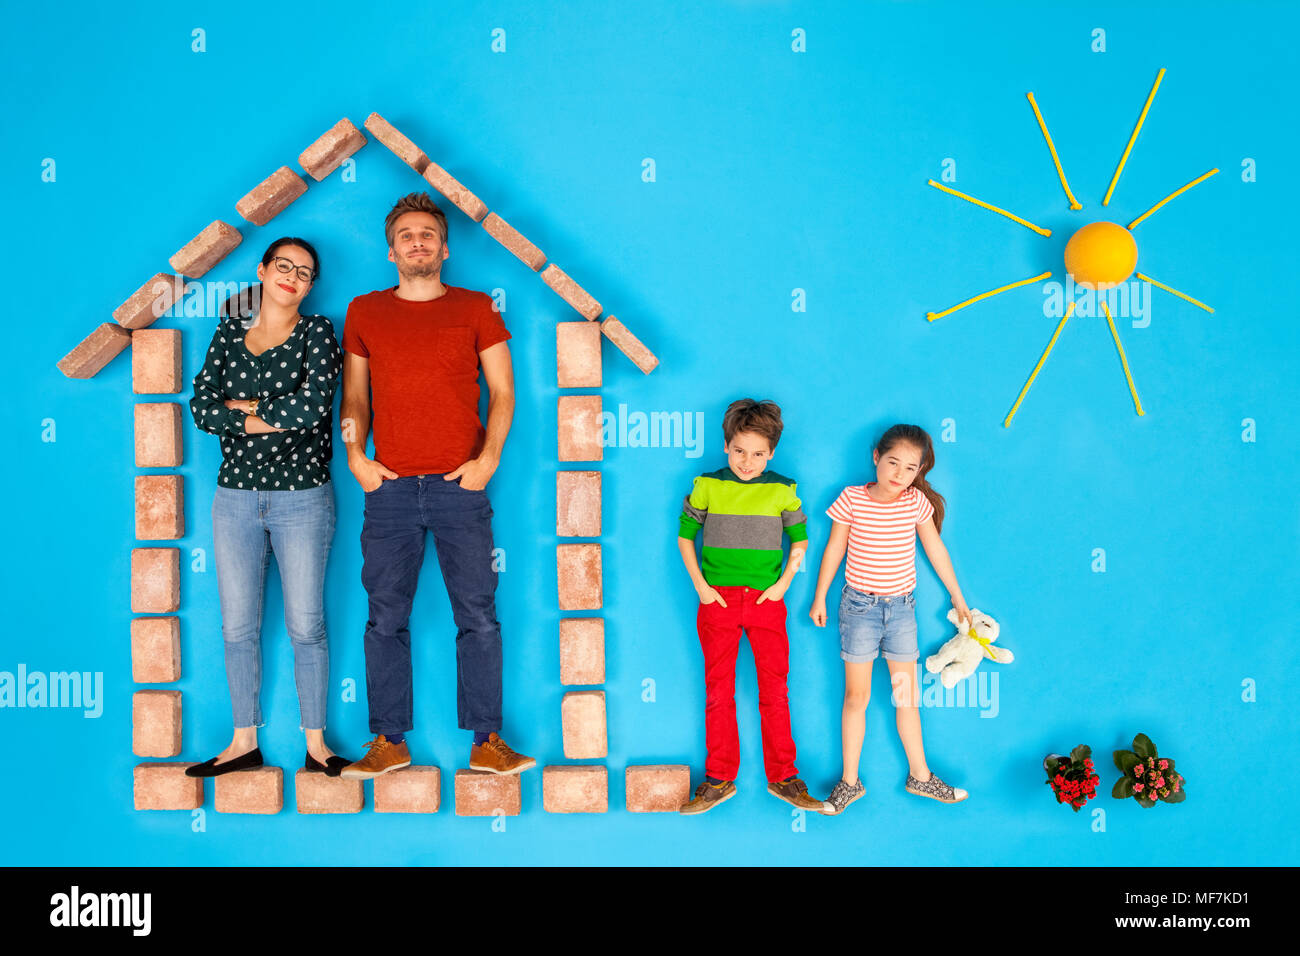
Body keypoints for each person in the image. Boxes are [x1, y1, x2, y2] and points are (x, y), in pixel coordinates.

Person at [338, 192, 534, 779]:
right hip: (390, 489)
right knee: (384, 618)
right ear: (391, 250)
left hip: (459, 486)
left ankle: (486, 742)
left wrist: (488, 460)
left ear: (444, 248)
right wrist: (355, 455)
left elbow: (503, 391)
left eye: (428, 233)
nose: (417, 241)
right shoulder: (365, 312)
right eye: (406, 235)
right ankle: (388, 743)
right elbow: (354, 396)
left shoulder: (475, 308)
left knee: (478, 615)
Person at [186, 237, 351, 777]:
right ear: (262, 271)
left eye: (304, 272)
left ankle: (317, 744)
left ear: (310, 286)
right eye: (284, 266)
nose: (293, 277)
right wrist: (261, 415)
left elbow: (313, 407)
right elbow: (203, 406)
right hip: (234, 496)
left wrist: (245, 410)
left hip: (302, 496)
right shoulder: (230, 332)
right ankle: (243, 742)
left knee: (307, 625)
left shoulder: (318, 332)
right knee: (237, 627)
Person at [676, 399, 830, 815]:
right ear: (726, 446)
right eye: (740, 451)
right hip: (718, 602)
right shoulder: (706, 484)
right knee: (718, 691)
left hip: (765, 603)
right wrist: (703, 589)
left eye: (759, 453)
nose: (748, 461)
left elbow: (800, 542)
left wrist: (781, 586)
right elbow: (685, 538)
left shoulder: (783, 489)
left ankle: (784, 777)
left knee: (774, 692)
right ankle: (720, 778)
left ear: (772, 453)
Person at [809, 424, 973, 812]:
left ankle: (921, 776)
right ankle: (849, 783)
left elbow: (935, 549)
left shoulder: (915, 503)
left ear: (919, 473)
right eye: (893, 462)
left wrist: (958, 596)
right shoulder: (851, 498)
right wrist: (819, 598)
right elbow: (834, 548)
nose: (899, 473)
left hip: (901, 611)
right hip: (859, 610)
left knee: (906, 697)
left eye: (910, 468)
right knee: (856, 697)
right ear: (876, 458)